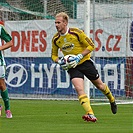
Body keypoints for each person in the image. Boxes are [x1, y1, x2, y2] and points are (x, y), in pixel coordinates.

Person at [51, 12, 117, 122]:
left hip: (85, 63)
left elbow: (91, 45)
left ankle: (111, 99)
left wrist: (79, 56)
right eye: (55, 23)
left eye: (58, 22)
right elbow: (53, 55)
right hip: (72, 66)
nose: (56, 25)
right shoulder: (55, 39)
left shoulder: (76, 33)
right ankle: (90, 114)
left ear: (65, 23)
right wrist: (60, 61)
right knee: (79, 89)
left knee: (100, 86)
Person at [0, 22, 13, 118]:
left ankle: (7, 109)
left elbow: (10, 42)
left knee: (1, 84)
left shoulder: (0, 28)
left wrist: (0, 48)